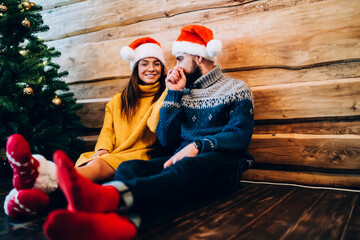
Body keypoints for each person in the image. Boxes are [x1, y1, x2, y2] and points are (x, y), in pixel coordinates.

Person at [42, 25, 255, 240]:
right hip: (180, 161)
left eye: (180, 59)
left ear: (199, 57)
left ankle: (109, 198)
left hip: (224, 165)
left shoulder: (236, 88)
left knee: (188, 165)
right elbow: (165, 139)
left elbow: (240, 136)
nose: (176, 66)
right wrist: (173, 95)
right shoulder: (182, 92)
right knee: (129, 167)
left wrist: (198, 145)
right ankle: (119, 221)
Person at [3, 37, 167, 218]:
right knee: (91, 162)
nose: (151, 69)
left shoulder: (165, 96)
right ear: (136, 67)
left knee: (96, 165)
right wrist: (103, 149)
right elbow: (107, 131)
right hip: (113, 153)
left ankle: (42, 178)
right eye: (145, 63)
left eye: (157, 64)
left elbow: (155, 124)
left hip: (141, 153)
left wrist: (169, 90)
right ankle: (33, 196)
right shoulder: (119, 100)